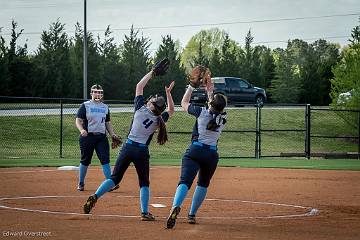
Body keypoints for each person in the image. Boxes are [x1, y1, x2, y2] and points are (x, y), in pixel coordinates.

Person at [83, 70, 175, 221]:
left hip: (128, 147)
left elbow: (139, 86)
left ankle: (95, 196)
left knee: (114, 178)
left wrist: (152, 72)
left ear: (151, 104)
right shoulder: (159, 120)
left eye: (152, 99)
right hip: (141, 151)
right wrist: (169, 93)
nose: (150, 99)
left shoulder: (140, 108)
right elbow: (171, 110)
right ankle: (144, 213)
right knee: (144, 182)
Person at [166, 71, 227, 229]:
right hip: (211, 155)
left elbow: (184, 103)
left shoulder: (201, 112)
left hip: (195, 151)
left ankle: (175, 207)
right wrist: (209, 91)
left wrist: (192, 87)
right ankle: (192, 214)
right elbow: (214, 107)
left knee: (185, 181)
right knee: (203, 184)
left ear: (211, 104)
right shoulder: (223, 118)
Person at [75, 84, 121, 192]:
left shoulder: (105, 107)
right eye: (95, 92)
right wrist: (81, 130)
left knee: (105, 160)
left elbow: (107, 122)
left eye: (100, 92)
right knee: (85, 161)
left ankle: (110, 183)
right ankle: (81, 183)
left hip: (101, 138)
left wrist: (112, 134)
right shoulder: (85, 105)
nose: (98, 94)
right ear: (91, 93)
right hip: (87, 137)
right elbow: (78, 120)